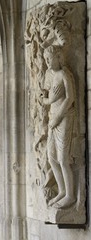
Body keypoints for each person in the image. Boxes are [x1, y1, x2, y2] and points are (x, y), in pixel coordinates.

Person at [42, 45, 76, 209]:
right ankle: (62, 190)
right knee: (51, 157)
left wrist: (57, 117)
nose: (47, 62)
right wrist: (50, 99)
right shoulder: (49, 75)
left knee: (63, 159)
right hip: (52, 119)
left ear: (58, 57)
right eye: (46, 60)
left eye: (49, 59)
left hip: (63, 118)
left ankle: (70, 195)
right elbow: (46, 100)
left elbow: (70, 98)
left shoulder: (64, 75)